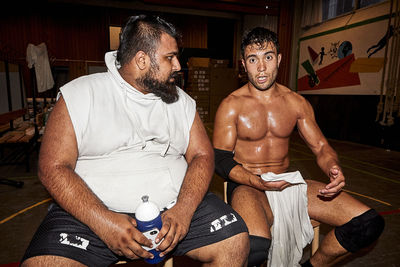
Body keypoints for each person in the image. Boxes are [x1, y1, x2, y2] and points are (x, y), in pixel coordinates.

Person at [21, 15, 249, 267]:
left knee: (235, 241)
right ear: (142, 60)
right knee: (44, 264)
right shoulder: (80, 94)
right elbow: (52, 167)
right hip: (91, 213)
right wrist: (104, 221)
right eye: (170, 57)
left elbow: (202, 155)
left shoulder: (181, 101)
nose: (178, 65)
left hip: (174, 209)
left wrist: (183, 210)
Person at [213, 27, 384, 267]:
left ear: (279, 59)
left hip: (287, 184)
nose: (261, 68)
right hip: (248, 185)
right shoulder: (231, 106)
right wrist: (257, 181)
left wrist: (333, 167)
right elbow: (220, 160)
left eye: (268, 57)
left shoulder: (296, 103)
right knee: (255, 249)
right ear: (244, 64)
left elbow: (321, 147)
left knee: (368, 224)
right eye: (253, 59)